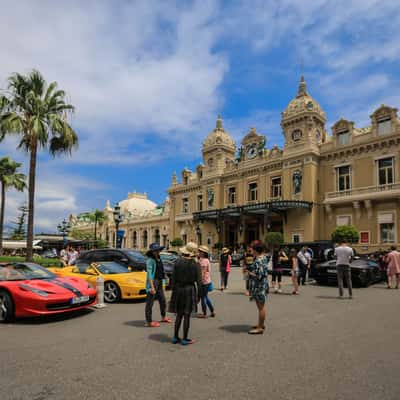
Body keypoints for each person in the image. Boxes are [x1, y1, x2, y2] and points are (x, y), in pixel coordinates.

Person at [169, 242, 202, 345]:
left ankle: (175, 337)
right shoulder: (195, 264)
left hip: (178, 289)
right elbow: (199, 282)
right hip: (189, 289)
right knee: (187, 314)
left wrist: (173, 292)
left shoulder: (177, 262)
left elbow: (172, 279)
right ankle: (185, 338)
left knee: (179, 314)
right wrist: (199, 295)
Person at [144, 243, 172, 327]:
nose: (157, 252)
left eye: (158, 250)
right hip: (153, 282)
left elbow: (161, 269)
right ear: (152, 251)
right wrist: (152, 287)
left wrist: (166, 276)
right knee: (150, 302)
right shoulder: (150, 260)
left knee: (162, 300)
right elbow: (149, 274)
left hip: (159, 281)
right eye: (155, 250)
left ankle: (163, 317)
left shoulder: (159, 258)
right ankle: (148, 322)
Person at [245, 240, 269, 335]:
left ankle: (260, 327)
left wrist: (249, 273)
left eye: (253, 249)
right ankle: (260, 324)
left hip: (259, 286)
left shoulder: (259, 260)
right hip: (262, 285)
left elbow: (259, 275)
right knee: (261, 306)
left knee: (261, 307)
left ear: (256, 250)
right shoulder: (263, 258)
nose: (251, 251)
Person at [198, 245, 215, 318]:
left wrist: (199, 281)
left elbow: (203, 272)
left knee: (203, 298)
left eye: (200, 251)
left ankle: (204, 313)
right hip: (207, 281)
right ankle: (212, 311)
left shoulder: (204, 261)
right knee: (206, 297)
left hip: (204, 282)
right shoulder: (205, 260)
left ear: (203, 253)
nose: (199, 252)